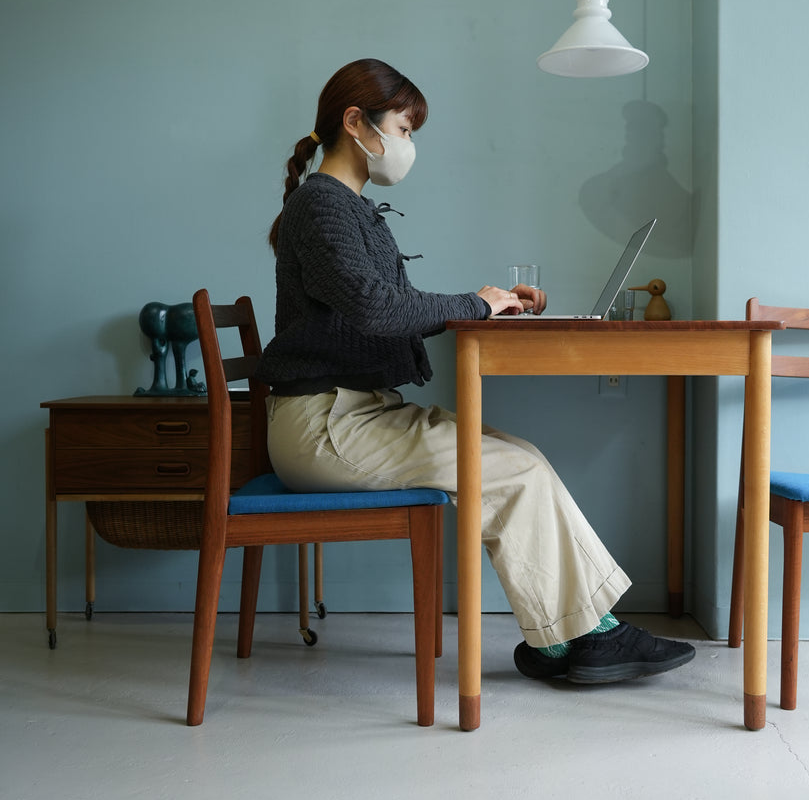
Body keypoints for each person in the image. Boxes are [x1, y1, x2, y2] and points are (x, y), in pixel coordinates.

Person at [256, 58, 695, 686]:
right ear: (356, 123)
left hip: (349, 415)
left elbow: (385, 306)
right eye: (404, 130)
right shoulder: (323, 208)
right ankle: (583, 638)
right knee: (513, 471)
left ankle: (571, 636)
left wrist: (496, 310)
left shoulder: (345, 207)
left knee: (521, 457)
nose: (408, 146)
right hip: (328, 426)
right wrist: (477, 305)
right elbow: (378, 308)